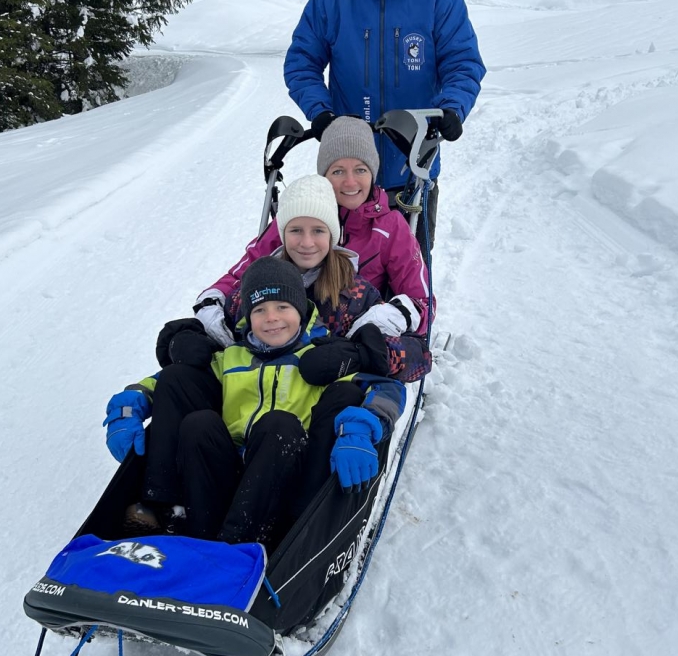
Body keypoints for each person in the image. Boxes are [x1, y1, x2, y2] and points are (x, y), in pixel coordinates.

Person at [103, 257, 405, 553]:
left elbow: (386, 388)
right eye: (260, 309)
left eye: (282, 307)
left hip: (287, 473)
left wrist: (360, 428)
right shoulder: (233, 357)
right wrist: (130, 405)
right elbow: (169, 383)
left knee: (279, 423)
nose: (271, 318)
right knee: (199, 422)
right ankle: (178, 518)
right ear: (248, 315)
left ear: (300, 309)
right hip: (230, 475)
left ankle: (238, 547)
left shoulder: (323, 357)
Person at [283, 0, 486, 243]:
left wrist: (451, 108)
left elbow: (463, 63)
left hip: (414, 171)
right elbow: (302, 62)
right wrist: (322, 114)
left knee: (411, 282)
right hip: (348, 179)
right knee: (342, 288)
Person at [195, 117, 432, 361]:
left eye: (360, 170)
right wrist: (211, 302)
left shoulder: (390, 228)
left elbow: (422, 302)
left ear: (372, 173)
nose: (350, 182)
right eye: (338, 171)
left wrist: (384, 320)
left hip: (349, 336)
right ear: (324, 175)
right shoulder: (298, 215)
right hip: (283, 330)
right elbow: (244, 272)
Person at [218, 173, 430, 383]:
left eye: (318, 230)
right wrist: (195, 336)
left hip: (325, 408)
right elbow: (222, 332)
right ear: (282, 235)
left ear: (332, 235)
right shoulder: (258, 286)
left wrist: (359, 355)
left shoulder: (353, 295)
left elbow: (420, 358)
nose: (307, 242)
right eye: (296, 230)